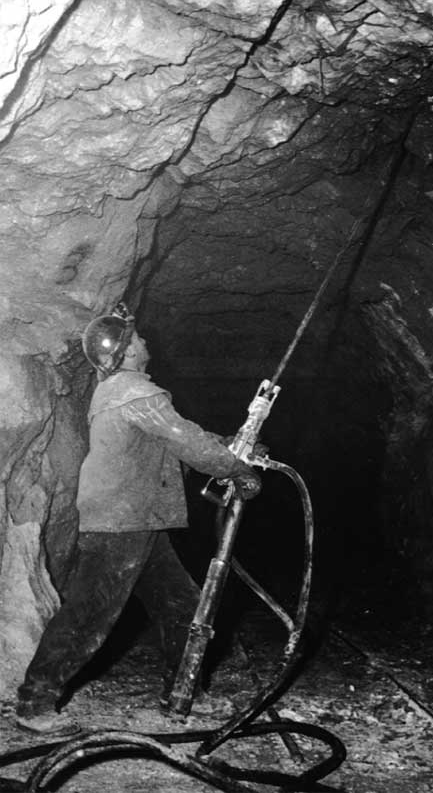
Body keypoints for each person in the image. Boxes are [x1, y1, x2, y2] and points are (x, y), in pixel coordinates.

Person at [16, 302, 261, 735]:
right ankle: (34, 702)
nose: (146, 342)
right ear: (127, 353)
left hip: (136, 517)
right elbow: (185, 441)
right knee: (90, 613)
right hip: (121, 520)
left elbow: (168, 448)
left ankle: (180, 693)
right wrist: (235, 469)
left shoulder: (121, 394)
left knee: (182, 605)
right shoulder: (133, 390)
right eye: (138, 337)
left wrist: (226, 448)